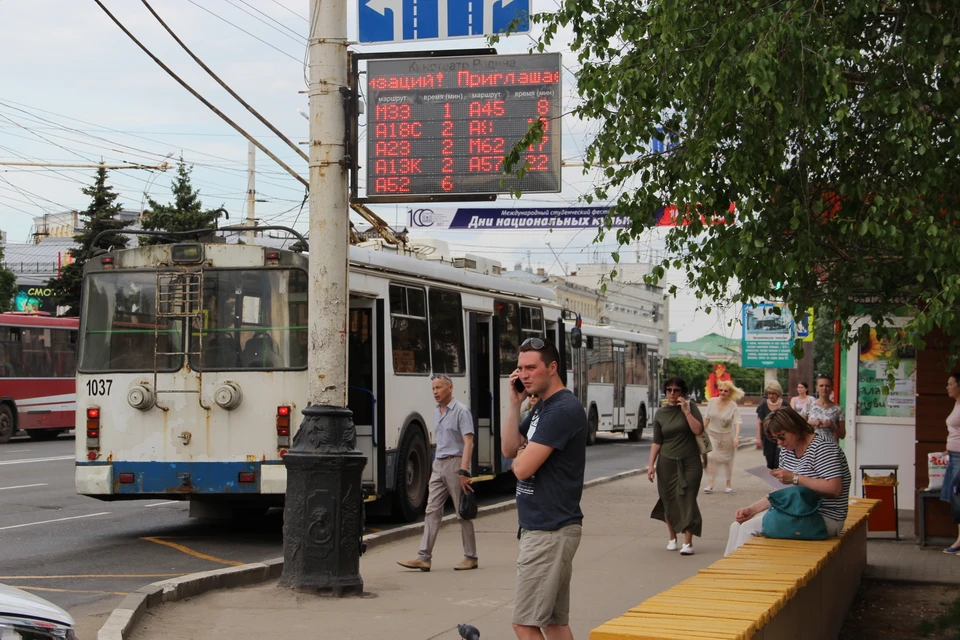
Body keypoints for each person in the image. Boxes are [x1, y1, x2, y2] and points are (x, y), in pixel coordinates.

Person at [501, 337, 587, 640]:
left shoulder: (561, 410)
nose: (523, 375)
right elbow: (510, 448)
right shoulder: (540, 408)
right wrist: (515, 405)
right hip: (546, 526)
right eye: (520, 368)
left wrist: (523, 454)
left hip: (550, 529)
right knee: (553, 623)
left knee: (524, 623)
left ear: (552, 367)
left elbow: (521, 468)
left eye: (531, 368)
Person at [725, 406, 850, 555]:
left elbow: (835, 488)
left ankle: (742, 576)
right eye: (775, 438)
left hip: (824, 517)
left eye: (782, 436)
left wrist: (795, 478)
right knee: (737, 525)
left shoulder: (823, 447)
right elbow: (782, 492)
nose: (780, 442)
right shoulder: (787, 451)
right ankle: (726, 576)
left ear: (795, 427)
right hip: (797, 511)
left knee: (748, 529)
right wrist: (752, 509)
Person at [397, 374, 478, 572]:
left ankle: (471, 556)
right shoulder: (436, 411)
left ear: (450, 388)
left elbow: (469, 442)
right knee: (431, 510)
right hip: (439, 464)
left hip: (455, 464)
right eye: (433, 388)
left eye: (439, 388)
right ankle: (424, 557)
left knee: (462, 512)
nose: (435, 392)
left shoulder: (461, 411)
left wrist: (464, 470)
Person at [648, 376, 705, 556]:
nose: (672, 394)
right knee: (668, 499)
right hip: (666, 463)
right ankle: (673, 537)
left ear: (683, 392)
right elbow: (657, 441)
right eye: (669, 390)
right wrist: (651, 465)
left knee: (688, 498)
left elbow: (698, 430)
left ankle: (688, 542)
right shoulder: (660, 413)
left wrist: (686, 411)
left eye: (676, 390)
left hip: (690, 462)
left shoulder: (691, 407)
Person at [703, 380, 744, 494]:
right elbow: (707, 418)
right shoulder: (711, 402)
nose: (722, 392)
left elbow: (737, 422)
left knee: (728, 460)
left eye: (725, 391)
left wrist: (736, 437)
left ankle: (728, 483)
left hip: (727, 436)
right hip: (712, 433)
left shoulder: (732, 405)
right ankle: (711, 483)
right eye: (721, 390)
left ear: (729, 393)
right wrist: (700, 432)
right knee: (711, 456)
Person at [940, 373, 960, 553]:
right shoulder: (956, 404)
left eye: (950, 384)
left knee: (958, 496)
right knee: (956, 497)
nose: (947, 387)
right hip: (954, 456)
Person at [807, 375, 846, 441]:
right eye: (821, 385)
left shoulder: (838, 409)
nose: (824, 388)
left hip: (830, 446)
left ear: (831, 388)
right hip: (812, 445)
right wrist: (810, 422)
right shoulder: (809, 405)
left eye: (827, 386)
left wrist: (833, 425)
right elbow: (798, 427)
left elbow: (842, 435)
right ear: (817, 388)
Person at [756, 381, 784, 470]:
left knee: (779, 462)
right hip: (768, 438)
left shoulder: (785, 405)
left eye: (773, 393)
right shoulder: (763, 405)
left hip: (782, 438)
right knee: (770, 462)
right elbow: (759, 422)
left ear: (778, 393)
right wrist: (758, 439)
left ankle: (780, 482)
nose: (771, 396)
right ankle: (772, 482)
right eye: (769, 393)